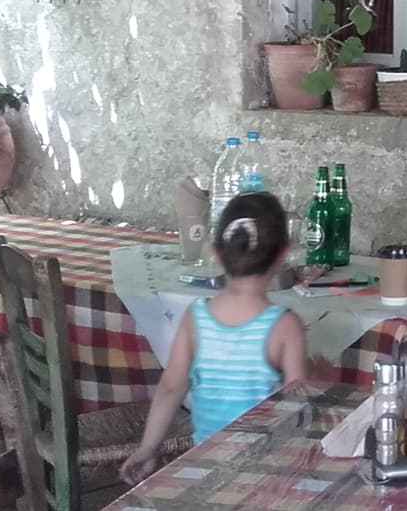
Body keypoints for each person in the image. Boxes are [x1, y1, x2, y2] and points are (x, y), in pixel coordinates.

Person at [121, 192, 309, 484]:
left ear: (216, 253)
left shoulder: (196, 318)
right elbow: (297, 404)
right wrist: (318, 377)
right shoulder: (285, 326)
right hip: (263, 473)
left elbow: (171, 388)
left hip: (205, 468)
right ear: (283, 255)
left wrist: (148, 448)